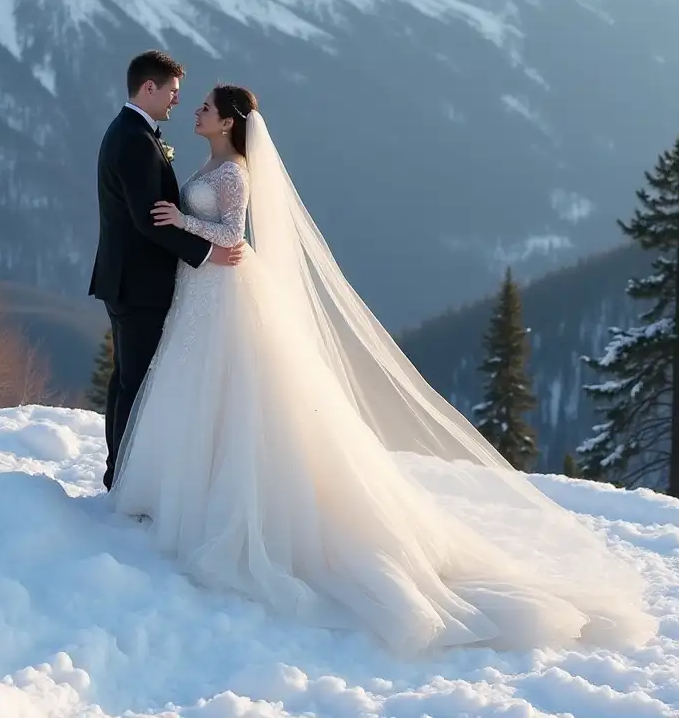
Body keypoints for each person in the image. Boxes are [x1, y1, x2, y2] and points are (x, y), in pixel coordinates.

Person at [110, 83, 655, 655]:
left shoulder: (233, 173)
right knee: (200, 392)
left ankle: (213, 505)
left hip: (223, 292)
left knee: (229, 394)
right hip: (202, 293)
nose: (195, 110)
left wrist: (181, 222)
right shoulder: (213, 162)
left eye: (205, 107)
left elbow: (232, 235)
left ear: (227, 121)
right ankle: (185, 493)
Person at [89, 51, 243, 491]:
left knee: (126, 381)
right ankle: (123, 478)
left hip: (127, 279)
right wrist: (205, 254)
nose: (179, 101)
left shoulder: (133, 131)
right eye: (173, 92)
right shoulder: (135, 139)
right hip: (139, 283)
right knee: (135, 384)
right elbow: (148, 220)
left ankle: (119, 472)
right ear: (149, 88)